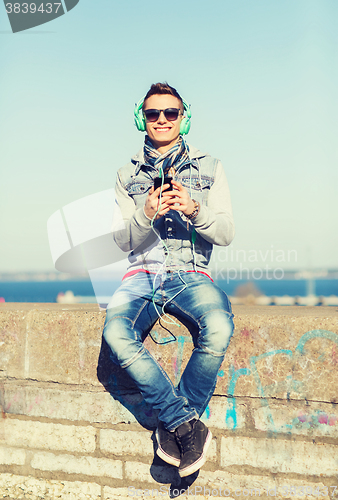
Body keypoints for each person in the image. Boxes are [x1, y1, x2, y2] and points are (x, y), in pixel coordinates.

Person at [103, 82, 235, 477]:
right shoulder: (127, 174)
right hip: (141, 274)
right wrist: (144, 214)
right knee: (115, 332)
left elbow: (226, 233)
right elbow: (120, 241)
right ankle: (182, 424)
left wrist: (196, 211)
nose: (161, 120)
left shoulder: (210, 167)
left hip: (191, 273)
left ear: (184, 117)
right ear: (141, 118)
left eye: (170, 113)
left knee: (218, 324)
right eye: (152, 114)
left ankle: (172, 426)